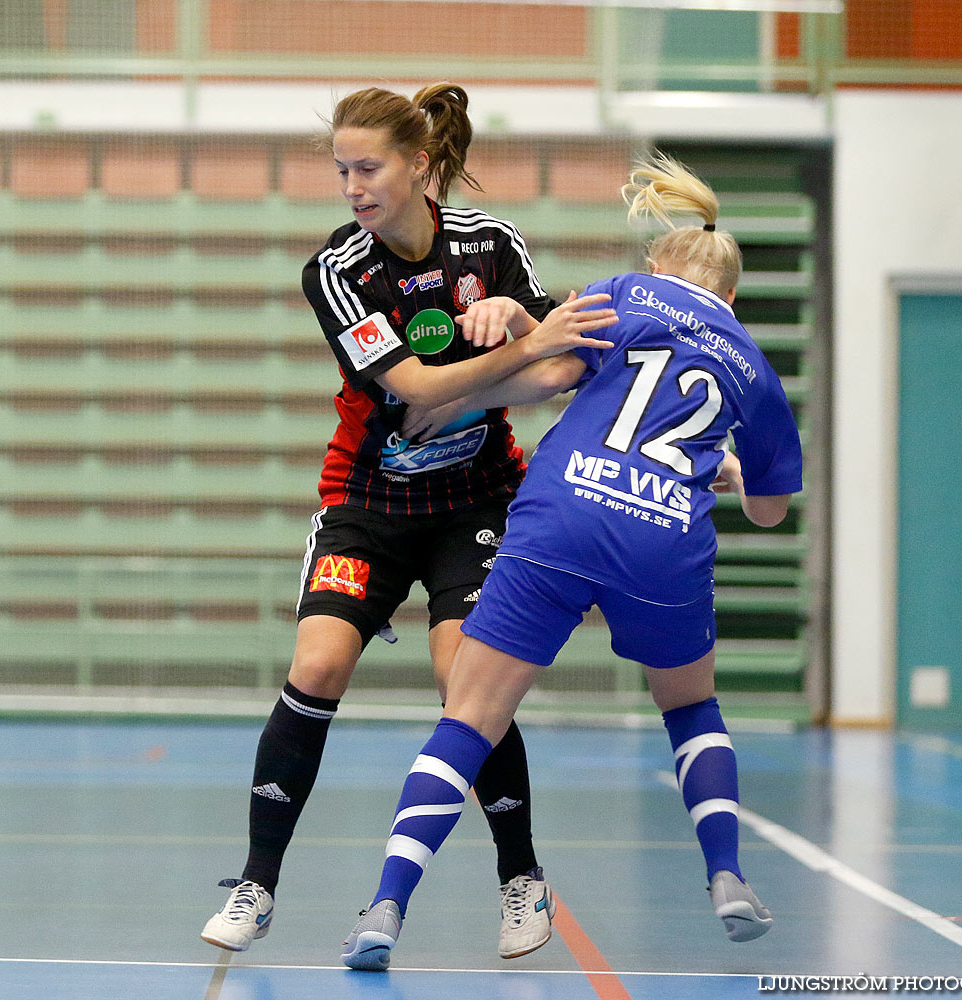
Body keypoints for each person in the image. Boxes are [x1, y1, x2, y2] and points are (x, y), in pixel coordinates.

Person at [339, 153, 804, 971]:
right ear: (732, 297)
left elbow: (551, 373)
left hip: (563, 517)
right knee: (691, 709)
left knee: (469, 717)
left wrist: (452, 397)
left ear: (661, 264)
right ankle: (727, 875)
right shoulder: (753, 369)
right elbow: (771, 508)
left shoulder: (625, 294)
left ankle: (385, 904)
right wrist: (724, 469)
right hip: (664, 536)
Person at [198, 83, 619, 961]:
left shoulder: (490, 245)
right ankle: (256, 884)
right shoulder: (337, 271)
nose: (352, 185)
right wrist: (517, 354)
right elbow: (414, 391)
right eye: (342, 169)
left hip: (474, 504)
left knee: (465, 679)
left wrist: (520, 332)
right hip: (368, 504)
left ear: (419, 164)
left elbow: (563, 368)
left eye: (368, 166)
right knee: (316, 665)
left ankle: (521, 878)